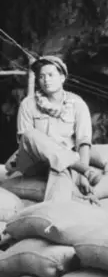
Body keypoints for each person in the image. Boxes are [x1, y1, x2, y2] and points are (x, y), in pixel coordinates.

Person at [5, 56, 102, 201]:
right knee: (30, 134)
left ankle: (56, 213)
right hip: (33, 162)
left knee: (61, 171)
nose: (46, 80)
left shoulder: (77, 104)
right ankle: (81, 168)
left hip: (64, 165)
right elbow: (25, 142)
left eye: (51, 75)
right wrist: (84, 170)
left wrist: (82, 178)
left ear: (62, 78)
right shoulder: (28, 104)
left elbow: (83, 142)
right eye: (41, 76)